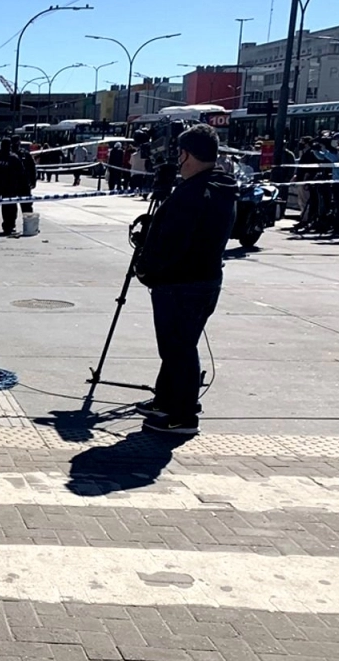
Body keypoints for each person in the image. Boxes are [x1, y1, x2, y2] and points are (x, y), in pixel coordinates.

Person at [133, 124, 237, 435]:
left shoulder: (192, 193)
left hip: (180, 284)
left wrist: (148, 266)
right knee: (179, 347)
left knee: (179, 349)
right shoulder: (221, 186)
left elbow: (173, 243)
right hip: (203, 280)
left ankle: (183, 415)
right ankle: (166, 401)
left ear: (185, 154)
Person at [0, 138, 28, 236]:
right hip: (9, 186)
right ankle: (8, 227)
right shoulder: (13, 158)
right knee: (8, 208)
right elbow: (21, 173)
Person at [11, 136, 37, 214]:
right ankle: (10, 226)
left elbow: (32, 168)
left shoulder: (25, 154)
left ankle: (28, 225)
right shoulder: (8, 154)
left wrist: (33, 181)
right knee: (10, 208)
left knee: (27, 207)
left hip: (24, 183)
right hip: (11, 183)